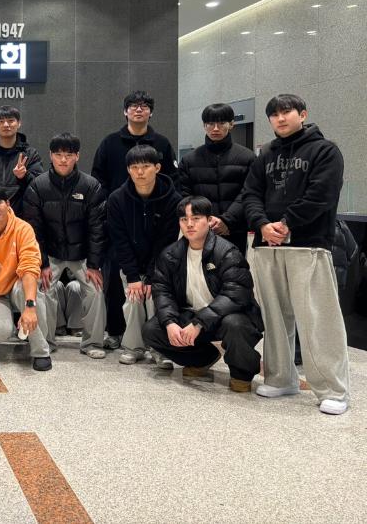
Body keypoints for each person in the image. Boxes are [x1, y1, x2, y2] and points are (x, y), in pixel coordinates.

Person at [243, 93, 350, 415]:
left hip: (308, 245)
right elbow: (250, 194)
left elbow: (322, 194)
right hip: (267, 247)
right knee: (274, 318)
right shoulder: (265, 155)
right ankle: (281, 378)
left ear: (302, 114)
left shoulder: (325, 150)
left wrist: (287, 223)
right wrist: (262, 225)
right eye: (274, 114)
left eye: (286, 112)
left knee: (318, 319)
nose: (280, 118)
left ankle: (333, 390)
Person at [142, 197, 264, 393]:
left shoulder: (227, 252)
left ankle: (242, 373)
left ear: (209, 220)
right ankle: (203, 359)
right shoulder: (170, 254)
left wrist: (199, 323)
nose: (189, 224)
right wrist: (170, 323)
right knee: (152, 330)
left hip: (226, 317)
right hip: (192, 315)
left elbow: (236, 294)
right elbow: (162, 290)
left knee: (236, 325)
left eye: (196, 218)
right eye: (184, 219)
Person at [23, 133, 108, 359]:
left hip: (82, 254)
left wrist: (94, 265)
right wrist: (42, 263)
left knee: (95, 290)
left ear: (77, 156)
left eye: (68, 155)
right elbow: (33, 230)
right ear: (50, 155)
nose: (63, 160)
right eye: (58, 154)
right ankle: (46, 341)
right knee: (42, 289)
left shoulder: (90, 186)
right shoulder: (37, 186)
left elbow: (97, 229)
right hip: (51, 253)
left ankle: (92, 343)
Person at [106, 146, 181, 366]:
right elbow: (119, 241)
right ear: (128, 170)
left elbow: (166, 242)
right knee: (133, 298)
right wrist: (133, 277)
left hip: (161, 264)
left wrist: (151, 275)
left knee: (156, 299)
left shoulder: (173, 199)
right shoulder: (117, 199)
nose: (140, 172)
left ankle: (160, 349)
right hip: (129, 262)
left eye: (146, 166)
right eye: (135, 167)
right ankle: (134, 347)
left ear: (157, 167)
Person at [0, 185, 53, 371]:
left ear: (7, 204)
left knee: (34, 297)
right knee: (0, 331)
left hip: (17, 285)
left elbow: (30, 268)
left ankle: (41, 351)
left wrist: (30, 307)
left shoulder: (23, 229)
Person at [177, 103, 255, 253]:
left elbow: (249, 193)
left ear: (231, 124)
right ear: (204, 126)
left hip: (235, 229)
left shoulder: (247, 157)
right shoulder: (189, 160)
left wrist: (227, 220)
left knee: (234, 266)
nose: (215, 128)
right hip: (199, 229)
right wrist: (204, 220)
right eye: (210, 124)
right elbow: (185, 195)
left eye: (221, 123)